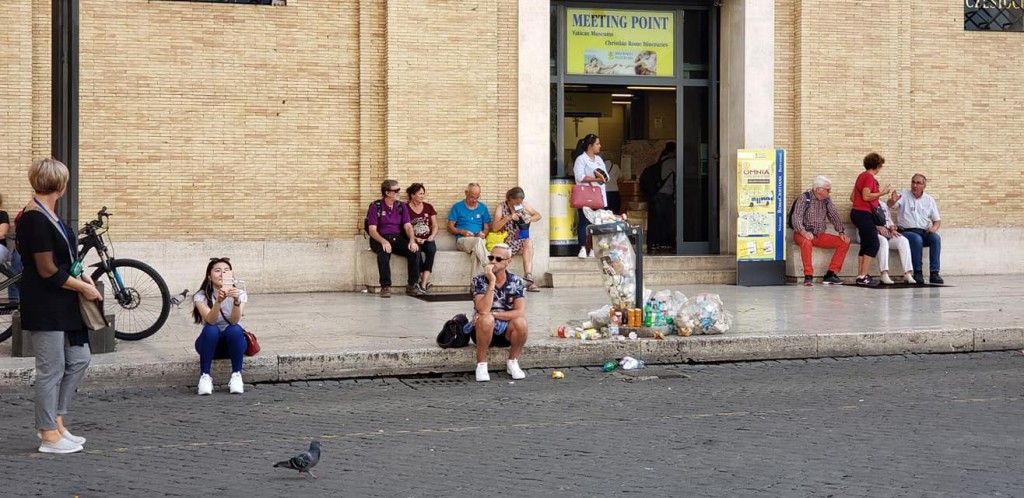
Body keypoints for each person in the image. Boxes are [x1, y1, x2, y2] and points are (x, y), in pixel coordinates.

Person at [18, 157, 102, 454]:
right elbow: (47, 270)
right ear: (61, 185)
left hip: (64, 303)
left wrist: (84, 274)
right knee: (51, 369)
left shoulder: (50, 215)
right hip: (46, 305)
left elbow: (65, 260)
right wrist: (84, 288)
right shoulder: (34, 218)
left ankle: (56, 419)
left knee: (79, 359)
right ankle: (47, 435)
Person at [465, 243, 528, 382]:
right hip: (482, 329)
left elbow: (519, 312)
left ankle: (513, 361)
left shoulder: (517, 281)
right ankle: (481, 364)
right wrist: (492, 281)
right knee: (486, 319)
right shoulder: (479, 280)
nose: (493, 261)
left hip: (506, 330)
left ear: (508, 262)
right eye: (491, 257)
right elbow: (483, 309)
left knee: (521, 323)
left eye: (498, 259)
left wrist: (494, 315)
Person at [191, 257, 248, 395]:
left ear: (231, 275)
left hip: (232, 344)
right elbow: (210, 320)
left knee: (234, 329)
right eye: (217, 271)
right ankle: (204, 377)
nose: (222, 274)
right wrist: (218, 302)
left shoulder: (240, 294)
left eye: (226, 271)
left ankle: (236, 376)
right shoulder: (200, 296)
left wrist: (236, 301)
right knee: (211, 329)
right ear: (209, 277)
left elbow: (234, 321)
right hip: (209, 345)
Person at [368, 179, 422, 298]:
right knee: (384, 252)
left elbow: (408, 226)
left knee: (415, 251)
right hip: (379, 238)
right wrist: (383, 241)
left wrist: (412, 241)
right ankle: (385, 286)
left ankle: (412, 285)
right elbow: (372, 230)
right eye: (396, 190)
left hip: (397, 238)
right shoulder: (375, 206)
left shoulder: (401, 206)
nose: (399, 192)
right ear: (387, 193)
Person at [792, 175, 850, 286]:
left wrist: (841, 232)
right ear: (818, 189)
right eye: (828, 190)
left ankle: (831, 274)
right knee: (806, 243)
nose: (830, 192)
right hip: (802, 233)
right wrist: (804, 232)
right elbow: (796, 218)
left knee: (844, 242)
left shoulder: (826, 200)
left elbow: (834, 215)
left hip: (819, 235)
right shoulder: (804, 198)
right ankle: (808, 276)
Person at [888, 174, 943, 284]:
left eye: (918, 183)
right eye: (913, 182)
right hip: (906, 231)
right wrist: (892, 200)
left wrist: (934, 227)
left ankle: (934, 273)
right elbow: (889, 205)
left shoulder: (929, 200)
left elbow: (937, 220)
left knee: (935, 238)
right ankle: (917, 272)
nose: (914, 185)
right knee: (916, 239)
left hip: (923, 231)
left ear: (924, 186)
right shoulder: (903, 194)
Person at [849, 152, 891, 287]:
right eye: (880, 166)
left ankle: (861, 275)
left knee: (866, 244)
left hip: (858, 213)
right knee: (874, 244)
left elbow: (852, 197)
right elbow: (867, 196)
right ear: (877, 166)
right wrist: (882, 193)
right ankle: (863, 276)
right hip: (864, 214)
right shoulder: (868, 177)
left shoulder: (861, 176)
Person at [491, 187, 542, 292]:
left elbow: (538, 215)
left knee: (528, 241)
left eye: (520, 201)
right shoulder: (502, 207)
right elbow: (495, 227)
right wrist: (508, 218)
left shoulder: (523, 205)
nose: (518, 204)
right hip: (506, 241)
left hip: (520, 240)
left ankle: (528, 277)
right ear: (510, 198)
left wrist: (530, 219)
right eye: (516, 202)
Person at [572, 134, 608, 258]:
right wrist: (595, 179)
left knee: (597, 222)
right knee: (584, 221)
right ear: (590, 146)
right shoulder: (581, 159)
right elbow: (580, 177)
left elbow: (605, 176)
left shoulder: (599, 159)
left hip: (598, 195)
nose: (599, 146)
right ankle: (582, 247)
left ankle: (593, 248)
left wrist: (601, 178)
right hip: (585, 194)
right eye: (597, 144)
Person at [447, 183, 491, 269]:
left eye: (477, 198)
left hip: (479, 240)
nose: (474, 200)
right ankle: (490, 266)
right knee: (477, 242)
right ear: (466, 193)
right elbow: (449, 227)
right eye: (472, 197)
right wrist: (462, 232)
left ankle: (475, 282)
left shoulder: (483, 207)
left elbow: (487, 227)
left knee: (476, 253)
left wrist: (483, 234)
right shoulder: (457, 207)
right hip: (463, 240)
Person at [645, 142, 677, 252]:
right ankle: (671, 243)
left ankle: (655, 243)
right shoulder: (672, 162)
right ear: (674, 151)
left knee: (657, 220)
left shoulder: (660, 161)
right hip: (666, 195)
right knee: (670, 220)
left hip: (656, 195)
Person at [406, 183, 438, 293]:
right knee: (416, 251)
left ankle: (423, 283)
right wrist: (414, 238)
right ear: (412, 195)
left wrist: (432, 237)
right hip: (413, 238)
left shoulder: (428, 207)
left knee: (431, 250)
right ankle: (423, 284)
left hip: (427, 238)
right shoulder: (405, 208)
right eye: (420, 194)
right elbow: (404, 227)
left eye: (423, 194)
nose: (422, 196)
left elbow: (435, 225)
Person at [874, 203, 915, 285]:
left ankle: (907, 273)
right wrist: (877, 227)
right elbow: (864, 222)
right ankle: (884, 274)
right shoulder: (865, 204)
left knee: (903, 240)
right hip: (872, 233)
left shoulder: (883, 205)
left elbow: (889, 221)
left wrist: (892, 229)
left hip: (887, 232)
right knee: (883, 242)